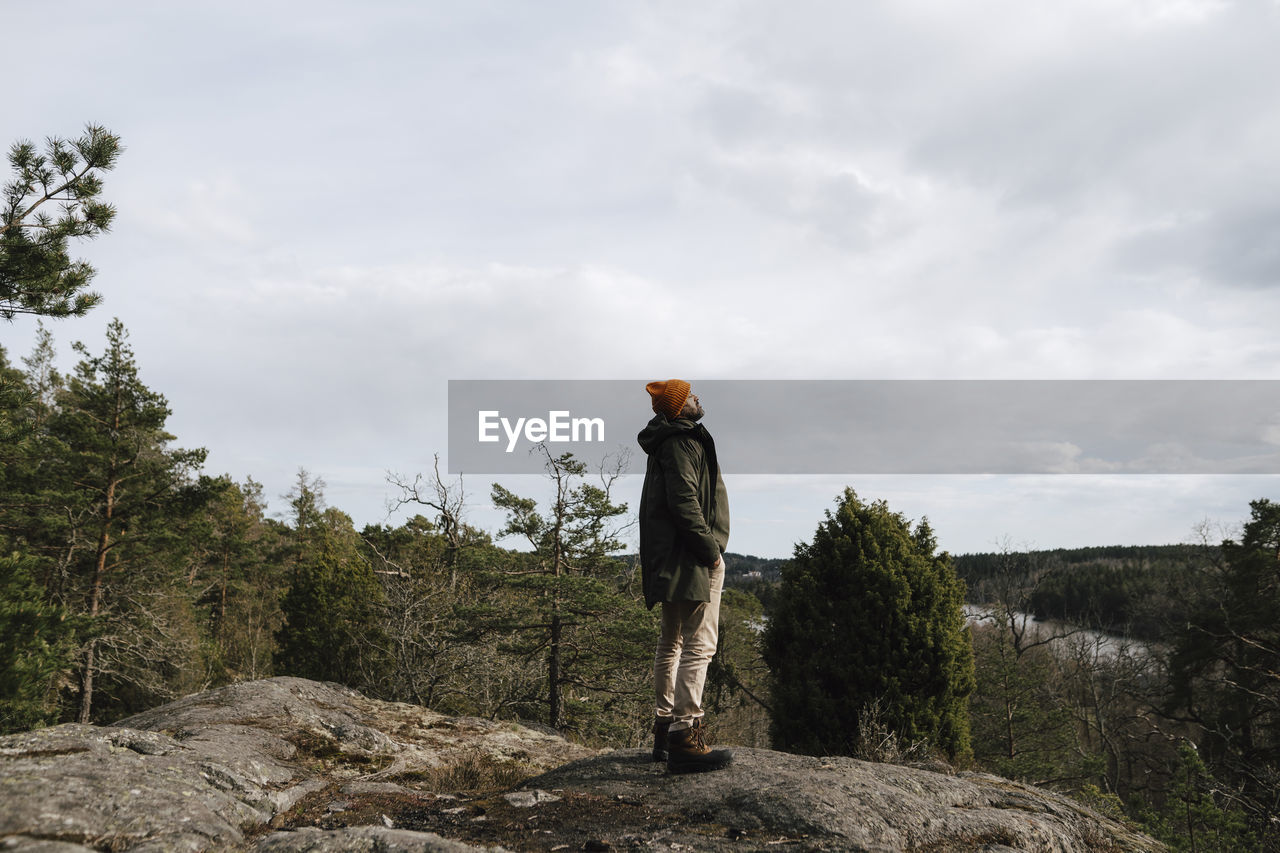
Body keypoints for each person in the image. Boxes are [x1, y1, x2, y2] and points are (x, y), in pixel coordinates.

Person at [637, 379, 734, 773]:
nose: (698, 399)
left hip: (673, 556)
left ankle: (665, 727)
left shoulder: (669, 440)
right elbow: (684, 501)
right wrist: (710, 551)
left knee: (672, 641)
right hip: (691, 557)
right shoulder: (681, 441)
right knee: (701, 644)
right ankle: (685, 734)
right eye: (692, 395)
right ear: (679, 407)